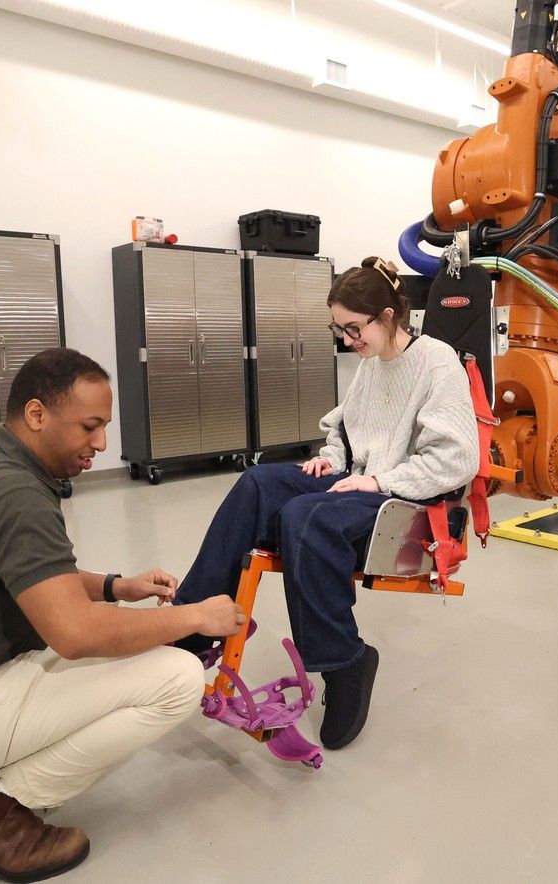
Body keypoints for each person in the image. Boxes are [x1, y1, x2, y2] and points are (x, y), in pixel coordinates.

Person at [0, 348, 246, 882]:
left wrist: (116, 587)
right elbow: (74, 632)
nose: (102, 444)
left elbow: (37, 581)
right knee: (176, 679)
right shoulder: (13, 492)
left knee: (118, 650)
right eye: (90, 426)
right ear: (38, 414)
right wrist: (197, 618)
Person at [173, 256, 479, 750]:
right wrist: (329, 458)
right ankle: (192, 623)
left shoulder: (436, 361)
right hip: (357, 481)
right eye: (339, 330)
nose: (347, 341)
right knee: (258, 484)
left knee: (302, 516)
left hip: (403, 498)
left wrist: (377, 480)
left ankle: (345, 661)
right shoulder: (372, 365)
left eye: (354, 328)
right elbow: (345, 426)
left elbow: (457, 460)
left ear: (386, 316)